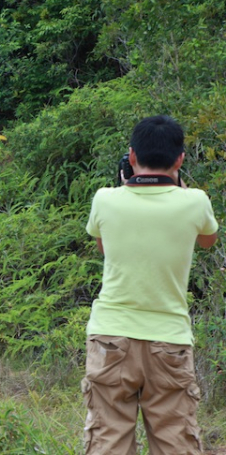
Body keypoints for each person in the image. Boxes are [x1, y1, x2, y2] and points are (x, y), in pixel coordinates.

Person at [83, 115, 219, 454]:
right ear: (180, 160)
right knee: (176, 442)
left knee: (107, 442)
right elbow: (208, 240)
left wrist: (122, 185)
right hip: (169, 341)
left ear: (131, 157)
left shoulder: (105, 199)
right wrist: (180, 187)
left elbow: (103, 245)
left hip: (110, 336)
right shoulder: (196, 201)